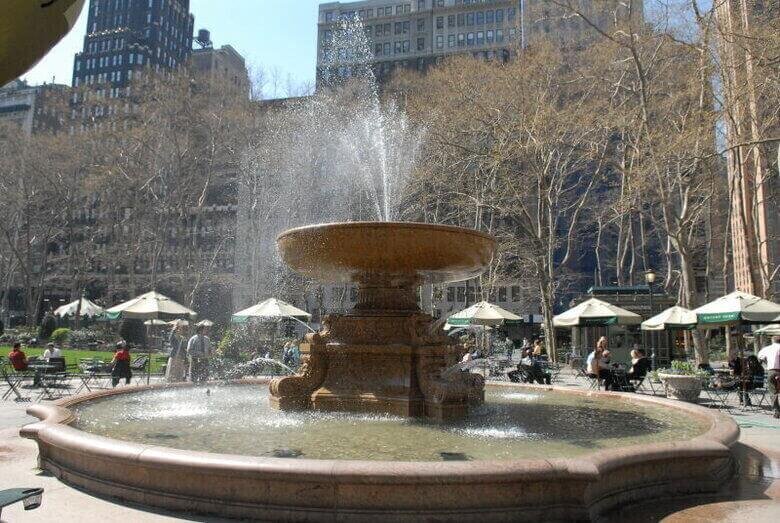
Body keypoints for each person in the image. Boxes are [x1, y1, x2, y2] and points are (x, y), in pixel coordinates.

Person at [758, 335, 780, 418]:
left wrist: (766, 363)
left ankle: (776, 411)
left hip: (771, 371)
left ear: (772, 341)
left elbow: (760, 356)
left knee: (772, 392)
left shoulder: (767, 348)